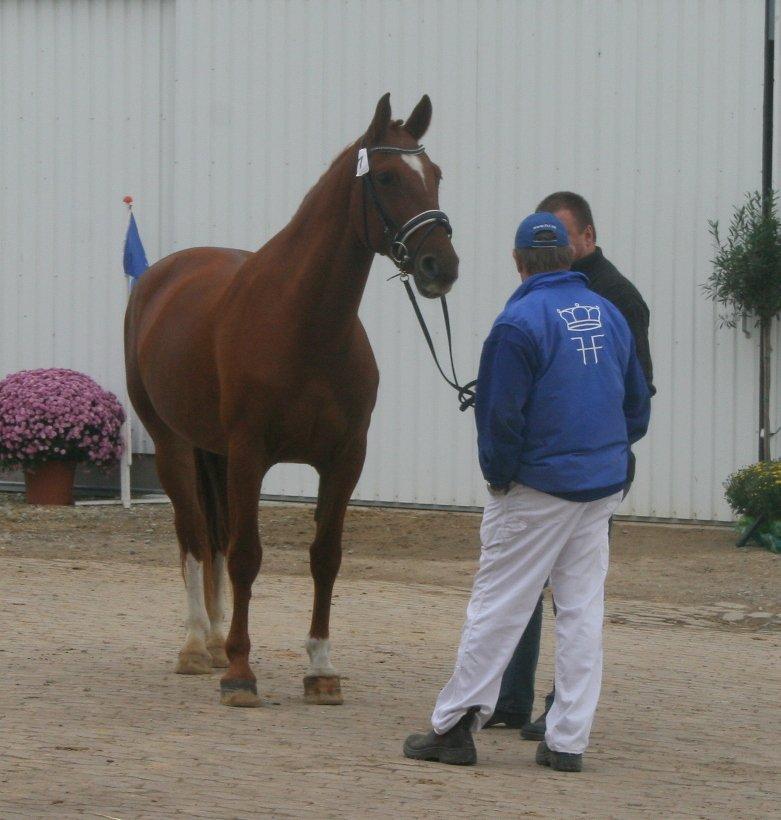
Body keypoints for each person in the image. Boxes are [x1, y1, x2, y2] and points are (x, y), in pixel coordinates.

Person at [402, 212, 651, 771]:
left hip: (538, 486)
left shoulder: (518, 323)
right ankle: (567, 740)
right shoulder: (609, 314)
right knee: (582, 611)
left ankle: (455, 726)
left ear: (519, 263)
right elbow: (637, 406)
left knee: (500, 604)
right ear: (569, 256)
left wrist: (501, 476)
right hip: (599, 485)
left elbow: (499, 419)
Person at [488, 192, 656, 739]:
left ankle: (558, 708)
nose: (554, 249)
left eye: (561, 237)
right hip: (579, 466)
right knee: (548, 593)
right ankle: (516, 700)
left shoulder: (617, 300)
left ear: (586, 237)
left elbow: (636, 391)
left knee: (565, 595)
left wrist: (512, 467)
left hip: (574, 472)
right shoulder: (553, 301)